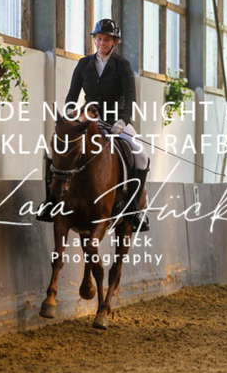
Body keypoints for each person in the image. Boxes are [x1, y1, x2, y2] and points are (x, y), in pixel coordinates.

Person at [37, 18, 150, 231]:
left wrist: (123, 121)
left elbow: (130, 97)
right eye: (99, 39)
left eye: (106, 40)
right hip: (87, 119)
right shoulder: (84, 64)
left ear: (114, 42)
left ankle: (134, 210)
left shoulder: (122, 65)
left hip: (116, 121)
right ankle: (50, 202)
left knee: (141, 156)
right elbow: (72, 95)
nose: (101, 43)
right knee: (52, 150)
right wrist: (71, 111)